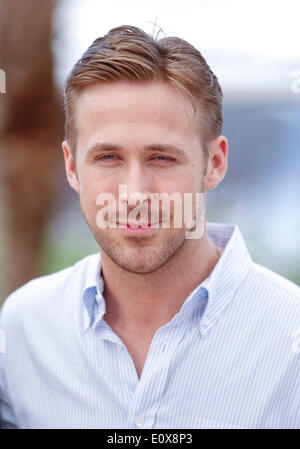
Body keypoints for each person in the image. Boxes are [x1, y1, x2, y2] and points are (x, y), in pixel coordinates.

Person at [1, 25, 300, 430]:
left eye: (161, 158)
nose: (134, 194)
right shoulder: (22, 329)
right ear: (72, 167)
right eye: (108, 157)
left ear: (215, 163)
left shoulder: (291, 341)